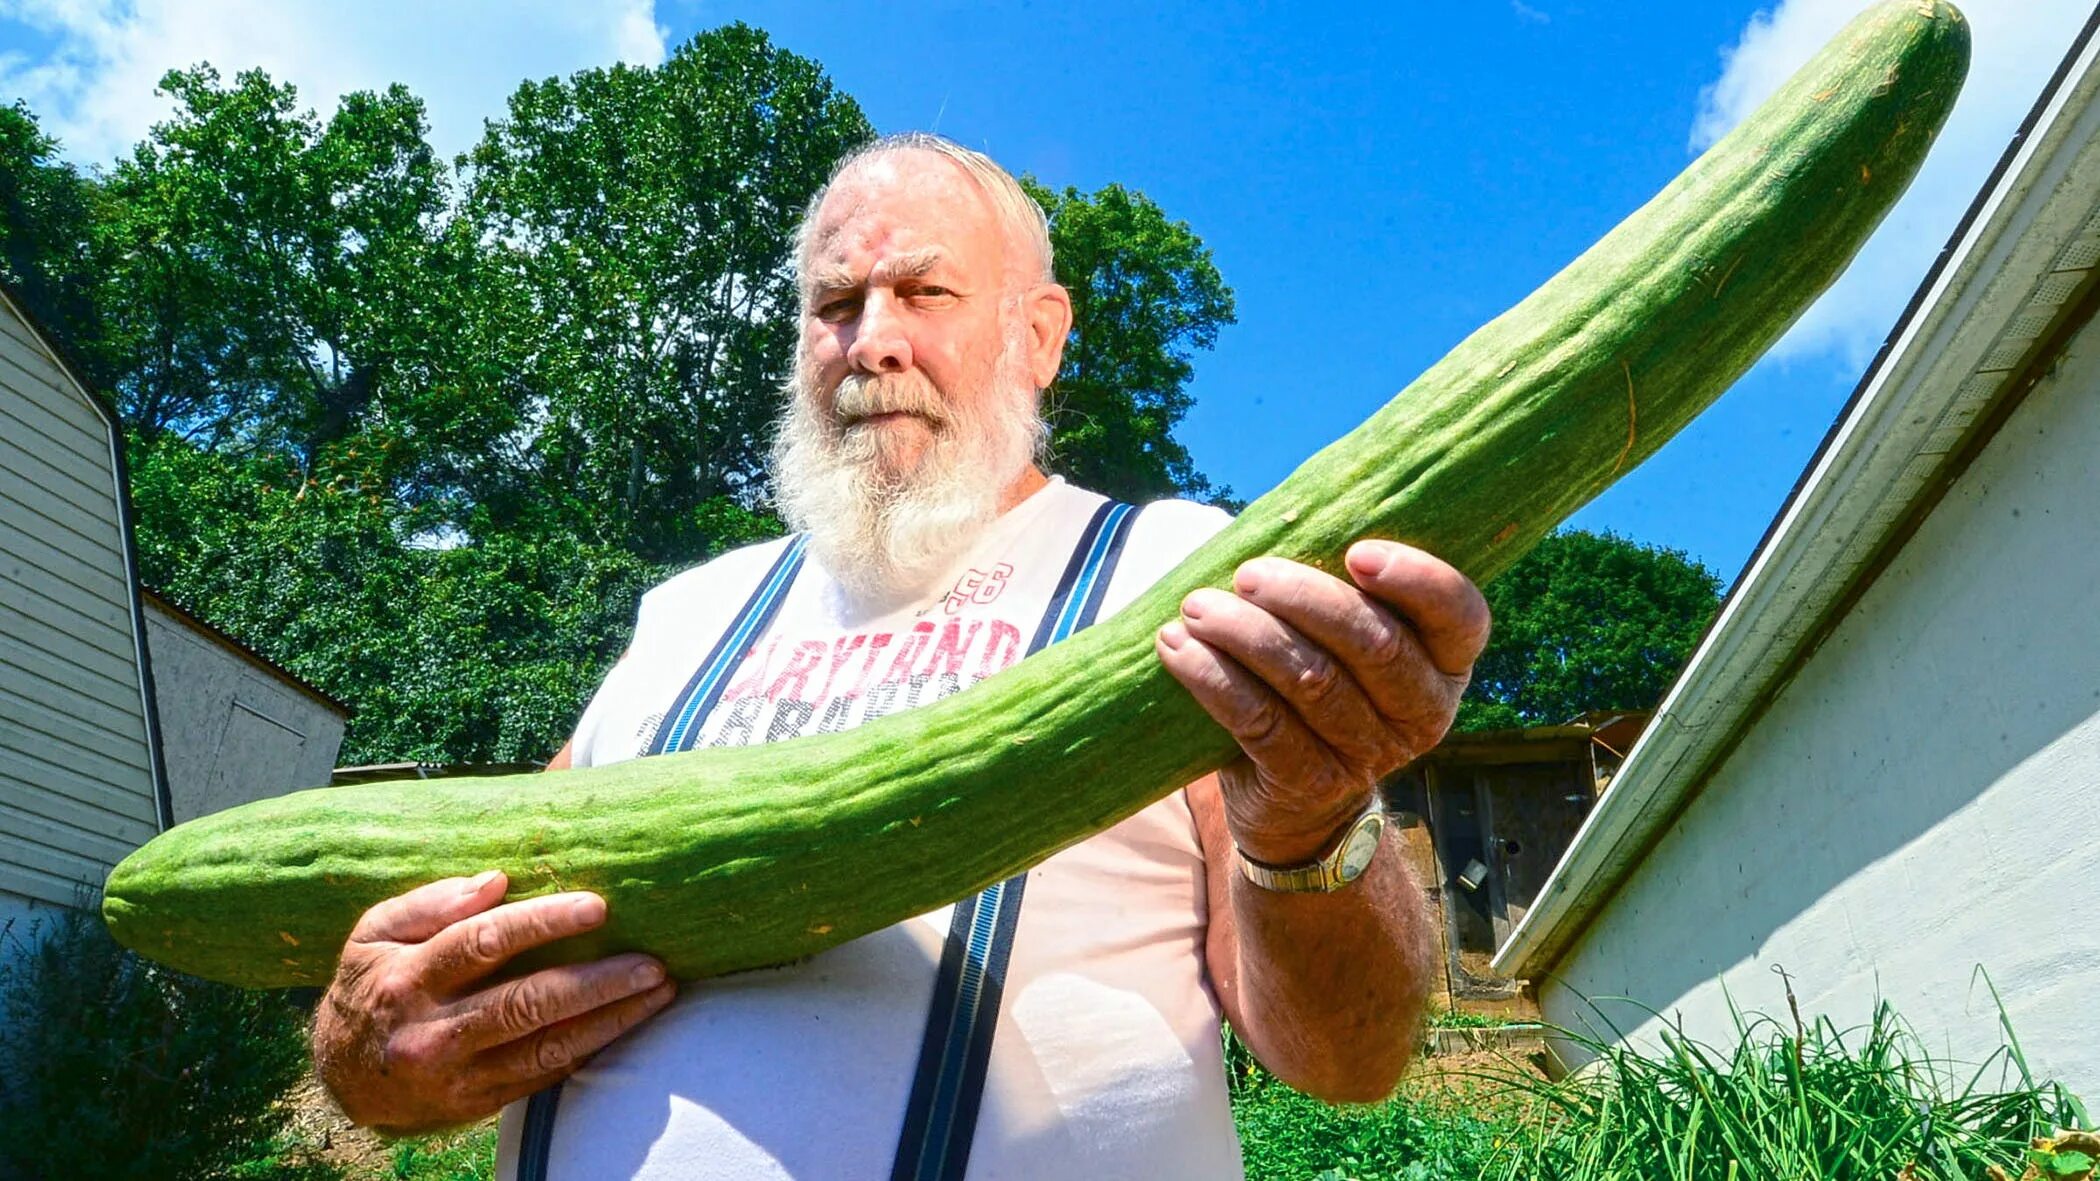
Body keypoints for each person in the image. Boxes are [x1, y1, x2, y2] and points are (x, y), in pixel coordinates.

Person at [311, 133, 1489, 1180]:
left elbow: (1349, 1059)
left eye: (924, 291)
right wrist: (370, 1056)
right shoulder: (684, 613)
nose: (872, 341)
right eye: (834, 304)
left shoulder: (1172, 573)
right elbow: (469, 953)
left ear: (1037, 334)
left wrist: (1312, 825)